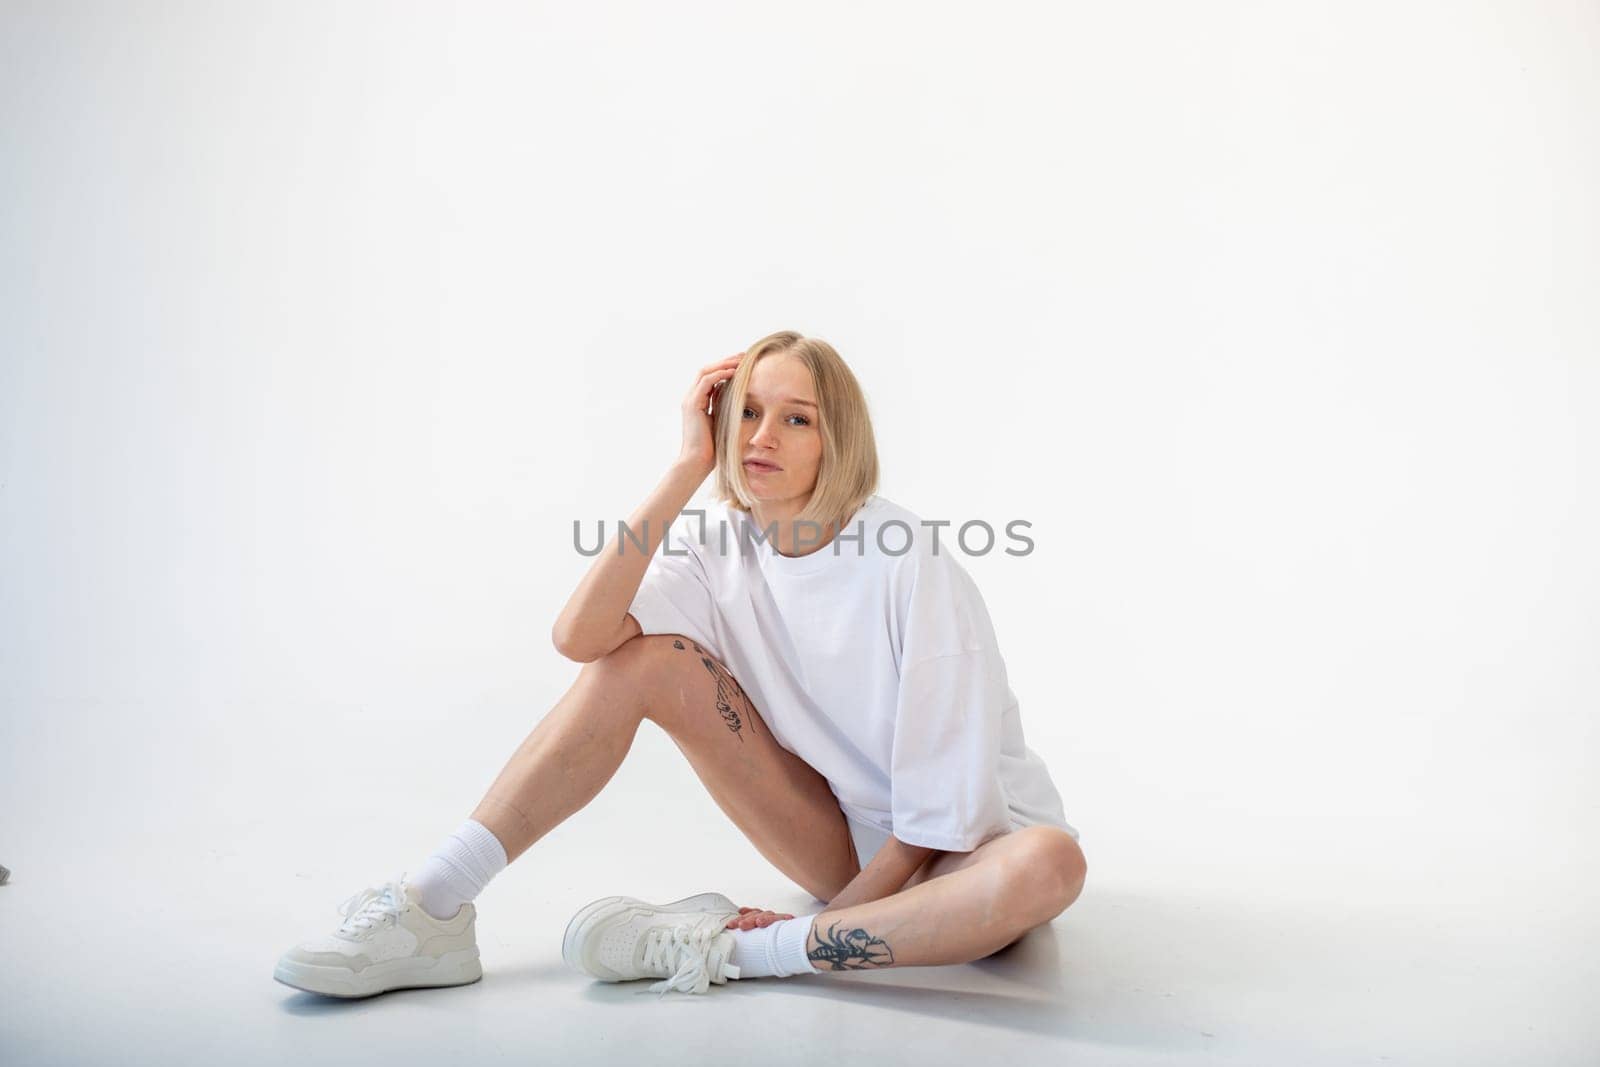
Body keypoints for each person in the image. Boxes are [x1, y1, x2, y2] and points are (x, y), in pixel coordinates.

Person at [273, 331, 1087, 999]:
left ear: (837, 438)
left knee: (1053, 861)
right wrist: (684, 471)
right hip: (840, 842)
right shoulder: (713, 547)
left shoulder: (907, 557)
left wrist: (821, 921)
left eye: (796, 419)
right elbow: (581, 637)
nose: (763, 437)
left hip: (964, 851)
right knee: (643, 660)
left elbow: (934, 819)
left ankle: (745, 952)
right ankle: (434, 904)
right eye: (747, 413)